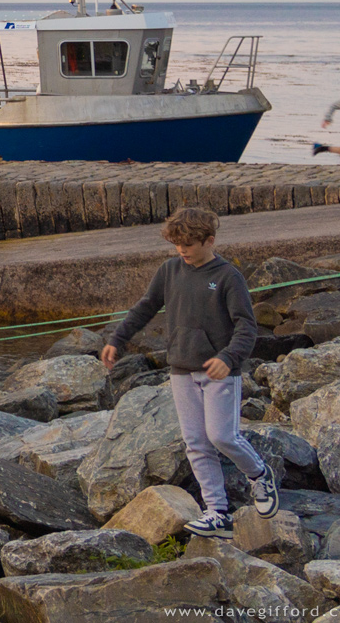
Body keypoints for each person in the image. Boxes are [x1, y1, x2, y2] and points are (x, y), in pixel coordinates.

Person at [98, 207, 275, 539]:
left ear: (209, 241)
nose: (182, 251)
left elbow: (247, 327)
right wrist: (118, 339)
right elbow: (146, 307)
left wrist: (228, 357)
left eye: (189, 245)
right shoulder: (169, 270)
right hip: (181, 368)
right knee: (195, 442)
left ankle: (260, 475)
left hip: (220, 371)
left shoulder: (228, 277)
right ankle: (217, 513)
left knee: (222, 436)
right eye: (177, 245)